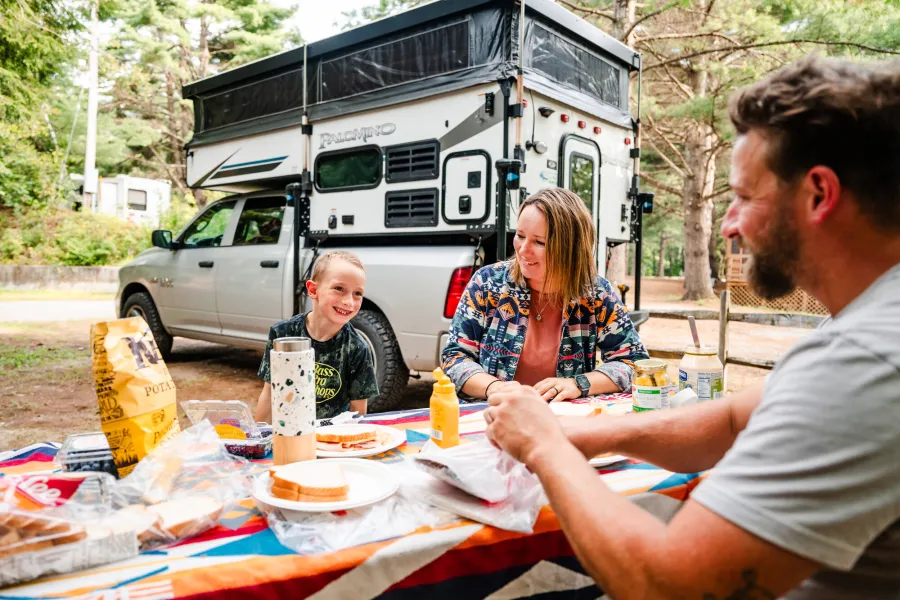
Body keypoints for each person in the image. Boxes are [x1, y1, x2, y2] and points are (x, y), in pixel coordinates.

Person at [483, 55, 900, 599]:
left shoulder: (864, 361)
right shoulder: (873, 327)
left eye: (745, 197)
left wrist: (543, 446)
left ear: (819, 194)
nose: (727, 223)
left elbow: (669, 586)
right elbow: (730, 421)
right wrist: (583, 435)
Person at [441, 187, 648, 402]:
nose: (522, 250)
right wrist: (493, 388)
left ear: (570, 248)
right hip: (493, 416)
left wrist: (578, 384)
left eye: (539, 242)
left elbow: (635, 363)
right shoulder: (486, 283)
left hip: (563, 423)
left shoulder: (596, 293)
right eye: (520, 236)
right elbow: (454, 357)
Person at [255, 250, 378, 422]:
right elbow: (269, 395)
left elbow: (358, 412)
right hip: (289, 434)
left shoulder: (358, 348)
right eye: (339, 289)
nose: (349, 301)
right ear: (313, 290)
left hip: (332, 440)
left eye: (357, 293)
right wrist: (259, 439)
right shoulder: (283, 335)